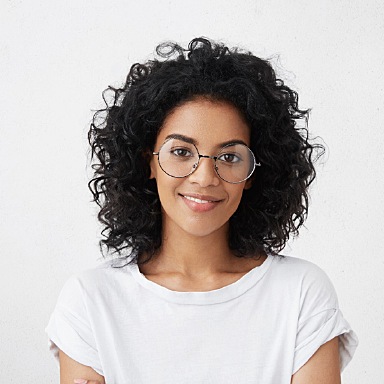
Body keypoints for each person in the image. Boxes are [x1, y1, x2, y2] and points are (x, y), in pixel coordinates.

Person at [45, 37, 358, 384]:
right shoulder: (91, 300)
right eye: (182, 152)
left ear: (253, 174)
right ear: (148, 160)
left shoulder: (300, 293)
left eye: (229, 157)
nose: (205, 177)